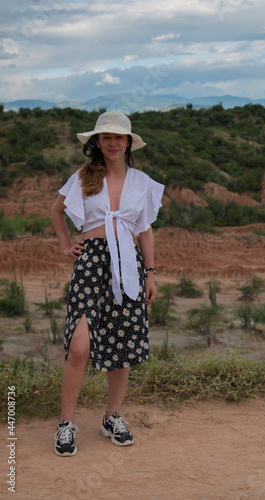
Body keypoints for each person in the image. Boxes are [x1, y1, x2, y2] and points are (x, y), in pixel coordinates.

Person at [51, 111, 164, 457]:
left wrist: (150, 272)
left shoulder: (142, 182)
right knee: (79, 346)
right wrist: (66, 244)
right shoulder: (84, 177)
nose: (113, 143)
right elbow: (56, 211)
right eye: (106, 137)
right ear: (97, 143)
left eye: (119, 137)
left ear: (128, 143)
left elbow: (144, 230)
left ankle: (112, 417)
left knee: (122, 344)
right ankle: (66, 425)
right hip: (91, 263)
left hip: (128, 265)